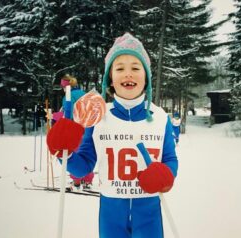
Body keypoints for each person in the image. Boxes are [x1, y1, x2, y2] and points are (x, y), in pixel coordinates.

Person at [47, 33, 178, 238]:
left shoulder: (160, 118)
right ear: (110, 78)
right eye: (119, 68)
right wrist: (65, 153)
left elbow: (170, 159)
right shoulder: (99, 118)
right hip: (111, 212)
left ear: (146, 78)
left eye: (135, 68)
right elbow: (82, 167)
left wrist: (165, 174)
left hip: (149, 211)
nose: (128, 74)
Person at [59, 74, 94, 189]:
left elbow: (66, 115)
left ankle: (77, 181)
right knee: (86, 154)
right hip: (88, 128)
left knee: (75, 155)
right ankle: (88, 181)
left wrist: (53, 116)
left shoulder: (68, 96)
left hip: (75, 129)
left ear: (65, 87)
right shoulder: (83, 93)